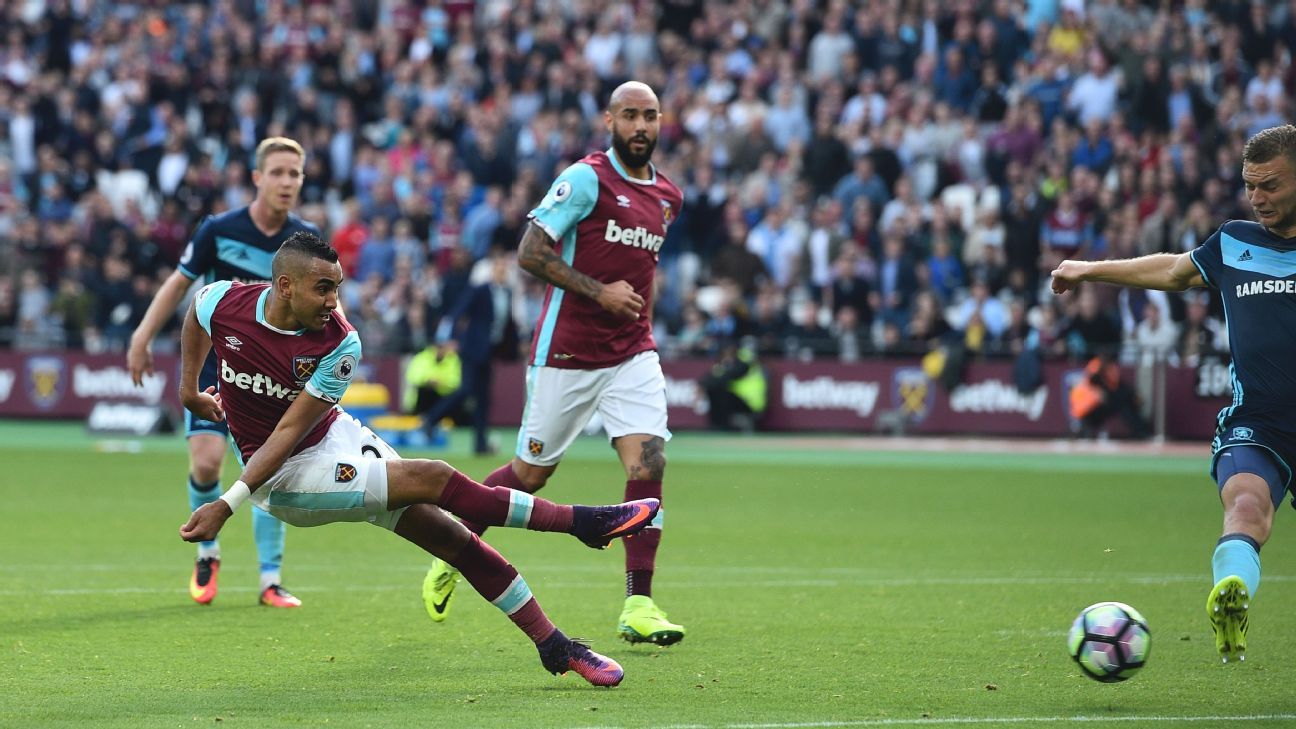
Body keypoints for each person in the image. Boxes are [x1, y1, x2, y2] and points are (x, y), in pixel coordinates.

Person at [178, 231, 659, 687]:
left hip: (332, 439)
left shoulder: (341, 342)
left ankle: (556, 647)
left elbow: (294, 424)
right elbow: (198, 318)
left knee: (454, 538)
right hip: (285, 478)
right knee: (433, 476)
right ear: (284, 286)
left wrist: (224, 501)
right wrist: (190, 394)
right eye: (322, 288)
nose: (333, 301)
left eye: (337, 288)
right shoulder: (224, 300)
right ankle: (582, 522)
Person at [422, 81, 687, 646]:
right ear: (610, 121)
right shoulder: (586, 179)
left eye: (651, 116)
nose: (641, 126)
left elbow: (643, 274)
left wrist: (640, 317)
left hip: (633, 353)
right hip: (567, 353)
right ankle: (454, 547)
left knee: (650, 462)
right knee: (529, 474)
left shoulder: (668, 196)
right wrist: (600, 293)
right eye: (630, 116)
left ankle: (639, 603)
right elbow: (530, 252)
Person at [1050, 124, 1296, 664]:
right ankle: (1232, 596)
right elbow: (1172, 270)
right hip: (1258, 421)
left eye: (1271, 185)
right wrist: (1090, 269)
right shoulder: (1235, 242)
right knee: (1248, 505)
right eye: (1251, 185)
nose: (1258, 197)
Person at [128, 137, 319, 609]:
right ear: (256, 177)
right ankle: (207, 553)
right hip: (219, 361)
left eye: (294, 174)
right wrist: (142, 335)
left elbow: (326, 305)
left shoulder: (303, 240)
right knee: (207, 463)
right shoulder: (219, 229)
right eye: (277, 172)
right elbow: (180, 284)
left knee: (267, 472)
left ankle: (270, 580)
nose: (286, 182)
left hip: (274, 373)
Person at [417, 252, 515, 455]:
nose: (502, 271)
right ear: (492, 270)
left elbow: (506, 323)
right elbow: (458, 311)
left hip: (489, 351)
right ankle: (431, 419)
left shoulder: (507, 292)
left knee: (483, 398)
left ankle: (480, 445)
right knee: (466, 389)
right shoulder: (481, 289)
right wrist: (451, 338)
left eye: (504, 268)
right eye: (498, 267)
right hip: (472, 348)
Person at [698, 340, 767, 432]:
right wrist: (702, 385)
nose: (726, 356)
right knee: (714, 389)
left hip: (750, 402)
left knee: (718, 391)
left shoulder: (744, 363)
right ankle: (717, 424)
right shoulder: (733, 363)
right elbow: (713, 377)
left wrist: (703, 385)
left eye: (728, 353)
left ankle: (721, 425)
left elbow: (725, 377)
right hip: (743, 398)